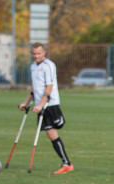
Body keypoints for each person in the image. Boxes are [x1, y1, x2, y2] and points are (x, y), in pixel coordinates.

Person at [18, 42, 73, 174]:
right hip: (40, 104)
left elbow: (49, 87)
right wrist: (26, 102)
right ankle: (66, 163)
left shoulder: (49, 66)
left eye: (39, 53)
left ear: (44, 53)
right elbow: (34, 87)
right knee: (51, 133)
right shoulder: (33, 66)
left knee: (51, 132)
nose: (36, 56)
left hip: (50, 104)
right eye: (34, 54)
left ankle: (67, 164)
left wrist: (40, 105)